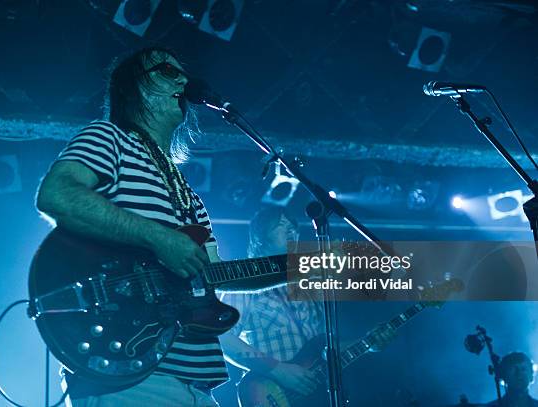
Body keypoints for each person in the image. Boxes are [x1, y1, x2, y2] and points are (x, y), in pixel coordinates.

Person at [36, 47, 281, 407]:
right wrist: (157, 236)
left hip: (198, 387)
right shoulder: (110, 138)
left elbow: (213, 275)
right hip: (132, 375)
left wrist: (304, 268)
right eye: (167, 70)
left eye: (182, 71)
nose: (183, 79)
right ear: (133, 87)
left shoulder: (188, 195)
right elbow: (57, 194)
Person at [220, 206, 396, 399]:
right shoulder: (244, 287)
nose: (291, 231)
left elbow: (322, 349)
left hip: (318, 394)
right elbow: (223, 338)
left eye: (293, 227)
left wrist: (368, 343)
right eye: (281, 225)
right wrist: (278, 370)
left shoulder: (310, 284)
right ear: (260, 238)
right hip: (272, 394)